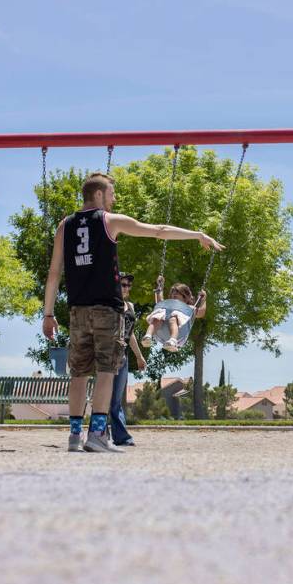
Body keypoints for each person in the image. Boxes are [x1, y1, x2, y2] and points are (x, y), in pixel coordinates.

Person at [42, 172, 224, 453]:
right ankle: (99, 435)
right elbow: (159, 230)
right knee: (105, 371)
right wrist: (196, 235)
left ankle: (75, 437)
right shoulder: (109, 220)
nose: (115, 200)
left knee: (78, 374)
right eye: (112, 194)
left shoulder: (64, 225)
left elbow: (54, 273)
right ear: (100, 195)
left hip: (77, 311)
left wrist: (48, 313)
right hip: (106, 309)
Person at [108, 272, 147, 447]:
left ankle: (120, 437)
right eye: (123, 285)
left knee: (116, 399)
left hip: (123, 354)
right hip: (107, 353)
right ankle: (99, 433)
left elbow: (130, 335)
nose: (127, 288)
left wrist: (139, 356)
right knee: (104, 396)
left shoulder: (130, 306)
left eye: (129, 285)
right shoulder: (108, 304)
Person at [141, 275, 207, 352]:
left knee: (173, 318)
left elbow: (201, 313)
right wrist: (160, 285)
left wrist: (203, 300)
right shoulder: (167, 305)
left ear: (185, 296)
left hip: (180, 334)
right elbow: (160, 301)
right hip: (161, 329)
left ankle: (172, 341)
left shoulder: (189, 308)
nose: (174, 294)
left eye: (178, 292)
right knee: (157, 318)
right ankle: (147, 337)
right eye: (173, 292)